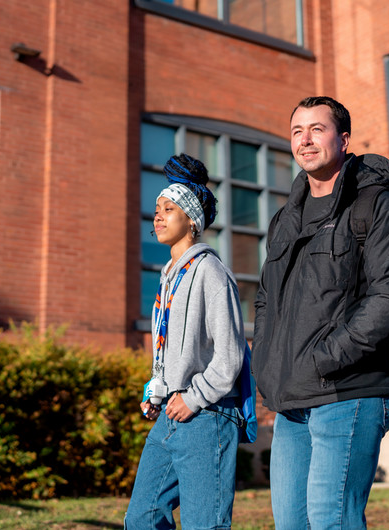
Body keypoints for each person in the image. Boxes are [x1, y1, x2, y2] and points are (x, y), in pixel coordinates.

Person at [252, 96, 389, 529]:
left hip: (350, 392)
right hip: (292, 400)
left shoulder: (376, 207)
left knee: (332, 521)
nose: (305, 140)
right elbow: (266, 298)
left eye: (316, 129)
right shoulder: (284, 220)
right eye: (296, 132)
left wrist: (325, 357)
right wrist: (266, 363)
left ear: (343, 139)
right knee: (292, 523)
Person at [124, 154, 246, 530]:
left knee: (203, 524)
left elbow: (230, 354)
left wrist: (192, 398)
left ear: (191, 219)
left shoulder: (210, 271)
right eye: (157, 209)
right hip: (171, 414)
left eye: (169, 208)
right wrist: (156, 389)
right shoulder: (169, 278)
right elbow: (170, 351)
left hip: (206, 413)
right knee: (142, 517)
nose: (157, 216)